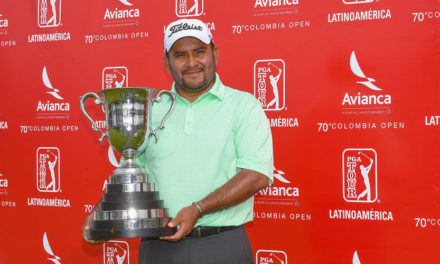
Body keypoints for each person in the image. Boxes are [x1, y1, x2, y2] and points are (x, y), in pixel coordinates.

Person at [83, 18, 273, 264]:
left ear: (214, 54)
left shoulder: (244, 106)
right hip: (158, 248)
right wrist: (104, 212)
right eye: (180, 55)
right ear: (166, 62)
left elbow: (256, 174)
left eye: (199, 52)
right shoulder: (150, 110)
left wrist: (199, 208)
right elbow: (134, 172)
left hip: (222, 246)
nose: (192, 63)